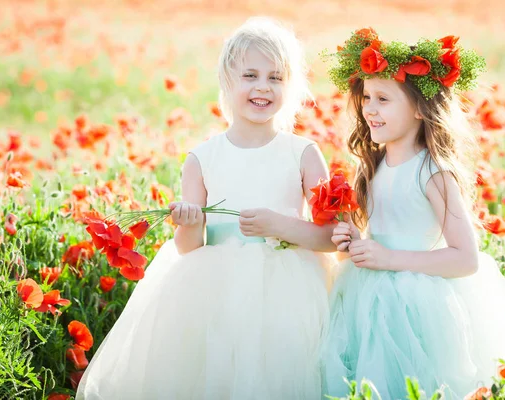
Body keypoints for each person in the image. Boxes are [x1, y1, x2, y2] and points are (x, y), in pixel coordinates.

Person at [77, 17, 335, 400]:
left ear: (291, 87)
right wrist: (189, 222)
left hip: (289, 291)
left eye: (276, 77)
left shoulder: (302, 154)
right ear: (227, 82)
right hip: (215, 293)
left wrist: (280, 225)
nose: (262, 87)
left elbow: (332, 237)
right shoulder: (203, 158)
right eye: (250, 75)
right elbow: (188, 247)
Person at [321, 28, 505, 399]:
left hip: (418, 302)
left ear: (420, 108)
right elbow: (382, 234)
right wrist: (355, 242)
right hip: (368, 296)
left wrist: (388, 258)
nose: (369, 108)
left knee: (418, 383)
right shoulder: (374, 166)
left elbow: (466, 258)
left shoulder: (432, 173)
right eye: (367, 97)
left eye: (383, 99)